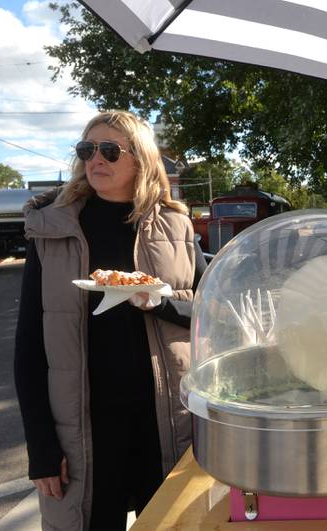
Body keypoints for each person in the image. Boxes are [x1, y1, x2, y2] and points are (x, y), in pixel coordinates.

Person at [14, 110, 207, 530]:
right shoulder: (54, 228)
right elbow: (28, 345)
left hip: (165, 426)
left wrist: (159, 303)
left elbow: (211, 315)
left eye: (109, 150)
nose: (95, 159)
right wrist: (41, 446)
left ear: (140, 158)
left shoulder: (175, 225)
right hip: (83, 431)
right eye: (87, 150)